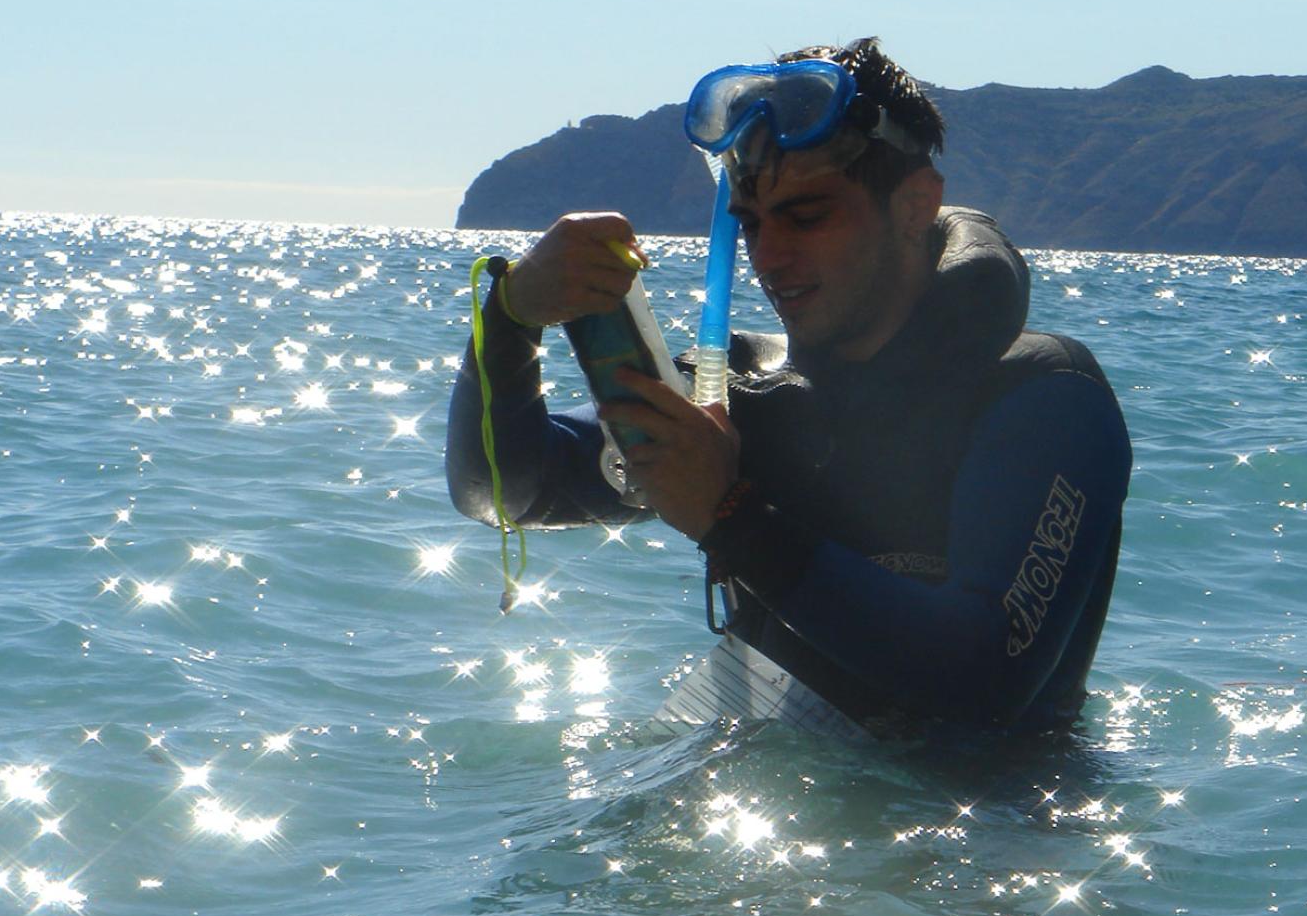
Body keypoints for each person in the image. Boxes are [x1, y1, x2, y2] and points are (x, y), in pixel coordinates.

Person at [445, 38, 1131, 732]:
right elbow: (500, 491)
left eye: (808, 217)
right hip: (764, 801)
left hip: (983, 824)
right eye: (750, 223)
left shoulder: (1045, 398)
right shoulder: (748, 396)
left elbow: (984, 678)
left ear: (915, 205)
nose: (770, 257)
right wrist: (509, 319)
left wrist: (730, 515)